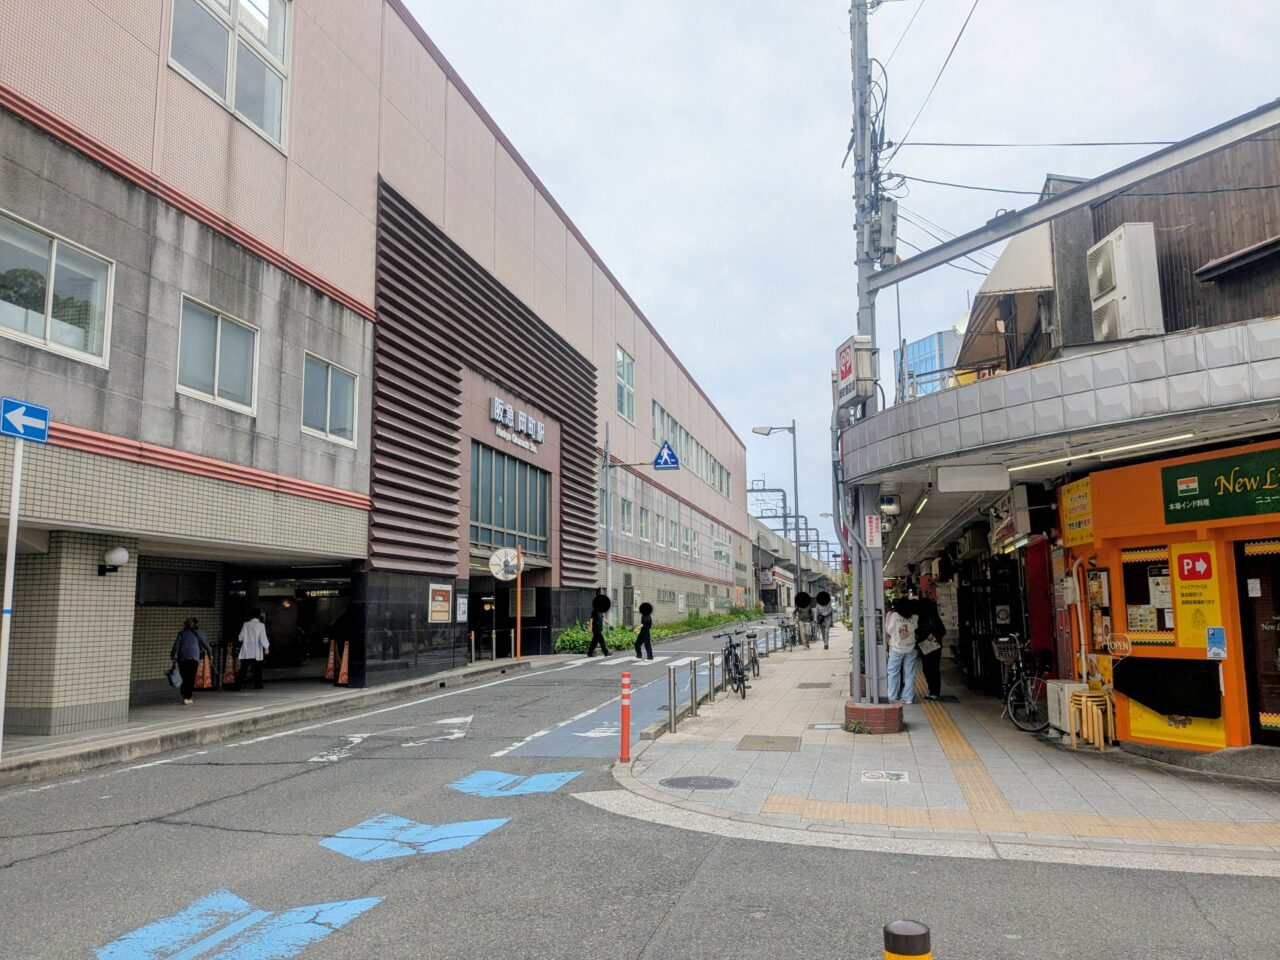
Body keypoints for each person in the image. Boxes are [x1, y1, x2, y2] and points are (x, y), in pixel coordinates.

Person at [884, 597, 919, 704]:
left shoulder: (894, 615)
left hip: (897, 648)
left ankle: (892, 696)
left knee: (893, 673)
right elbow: (915, 628)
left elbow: (889, 630)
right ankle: (908, 698)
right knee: (909, 673)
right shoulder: (915, 617)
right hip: (911, 648)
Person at [170, 617, 212, 705]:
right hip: (193, 657)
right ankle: (187, 697)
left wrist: (173, 655)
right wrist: (210, 654)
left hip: (182, 657)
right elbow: (206, 645)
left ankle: (184, 694)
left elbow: (176, 645)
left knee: (184, 676)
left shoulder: (182, 633)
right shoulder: (199, 633)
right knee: (191, 677)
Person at [915, 598, 946, 701]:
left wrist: (932, 634)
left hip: (931, 647)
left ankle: (934, 691)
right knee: (930, 669)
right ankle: (932, 690)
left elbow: (942, 630)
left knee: (931, 669)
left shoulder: (926, 617)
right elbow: (942, 631)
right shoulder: (928, 617)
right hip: (930, 647)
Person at [237, 608, 270, 689]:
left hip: (247, 649)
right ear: (259, 616)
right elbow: (263, 637)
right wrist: (266, 647)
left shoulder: (246, 624)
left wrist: (243, 641)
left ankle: (237, 684)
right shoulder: (261, 625)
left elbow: (240, 637)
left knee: (244, 667)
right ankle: (257, 684)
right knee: (258, 668)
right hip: (257, 650)